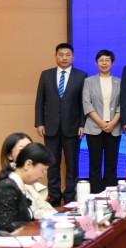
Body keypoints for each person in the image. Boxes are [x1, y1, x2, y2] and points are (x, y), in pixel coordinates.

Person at [34, 43, 87, 207]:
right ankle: (54, 195)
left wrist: (82, 124)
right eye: (61, 54)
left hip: (73, 127)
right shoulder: (46, 75)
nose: (64, 58)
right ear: (55, 56)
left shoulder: (81, 76)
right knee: (52, 163)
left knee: (72, 164)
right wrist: (39, 123)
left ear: (73, 57)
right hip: (50, 127)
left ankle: (70, 196)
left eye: (67, 55)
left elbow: (84, 103)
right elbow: (39, 101)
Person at [0, 143, 55, 233]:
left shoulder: (18, 185)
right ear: (28, 165)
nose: (42, 176)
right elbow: (6, 226)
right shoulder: (7, 188)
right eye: (43, 171)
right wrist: (40, 226)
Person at [83, 50, 122, 192]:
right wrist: (101, 122)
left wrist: (113, 122)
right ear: (96, 63)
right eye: (101, 60)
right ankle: (95, 193)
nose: (104, 63)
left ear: (112, 63)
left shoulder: (119, 82)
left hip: (114, 127)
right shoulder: (89, 81)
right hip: (94, 127)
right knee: (95, 163)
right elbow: (87, 103)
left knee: (111, 163)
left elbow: (122, 104)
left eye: (107, 60)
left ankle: (111, 193)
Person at [0, 133, 56, 219]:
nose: (28, 154)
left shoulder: (28, 177)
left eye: (30, 148)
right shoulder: (10, 183)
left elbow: (41, 205)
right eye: (22, 150)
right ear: (9, 155)